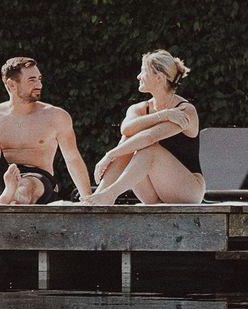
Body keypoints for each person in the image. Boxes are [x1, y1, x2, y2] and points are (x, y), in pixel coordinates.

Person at [0, 56, 96, 205]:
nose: (39, 85)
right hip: (1, 180)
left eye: (39, 79)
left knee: (27, 186)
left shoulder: (55, 116)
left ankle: (13, 196)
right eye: (32, 80)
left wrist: (87, 198)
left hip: (38, 179)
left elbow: (72, 158)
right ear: (12, 85)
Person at [85, 50, 205, 205]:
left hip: (188, 190)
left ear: (159, 78)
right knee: (129, 139)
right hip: (152, 192)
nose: (138, 76)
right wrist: (164, 115)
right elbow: (126, 129)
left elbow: (150, 137)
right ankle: (100, 194)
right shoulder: (140, 108)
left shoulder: (185, 110)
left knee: (149, 149)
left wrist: (110, 155)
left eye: (143, 71)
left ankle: (110, 194)